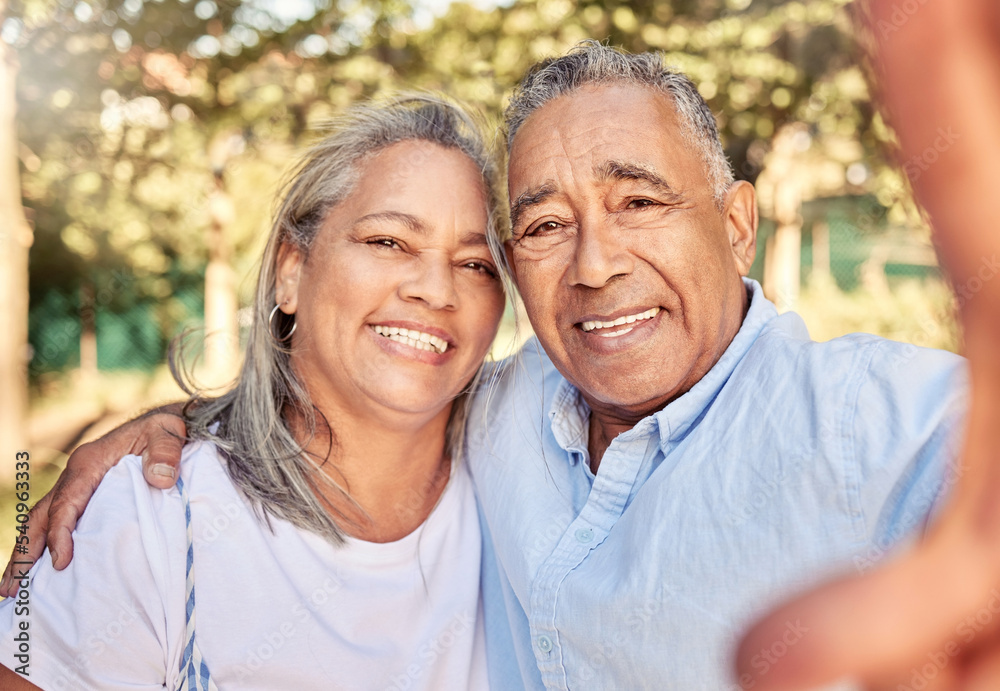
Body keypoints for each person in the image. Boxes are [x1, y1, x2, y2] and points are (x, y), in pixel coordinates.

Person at [5, 39, 978, 689]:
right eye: (546, 226)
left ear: (736, 226)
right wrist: (179, 427)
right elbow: (364, 379)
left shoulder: (866, 419)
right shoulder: (508, 411)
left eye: (638, 202)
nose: (596, 265)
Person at [0, 94, 508, 690]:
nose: (436, 288)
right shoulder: (152, 516)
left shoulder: (530, 475)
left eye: (477, 263)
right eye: (388, 242)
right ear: (291, 269)